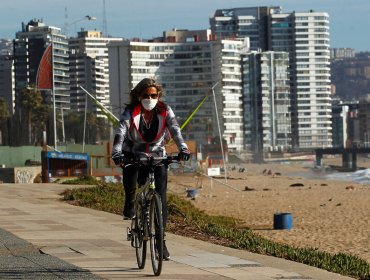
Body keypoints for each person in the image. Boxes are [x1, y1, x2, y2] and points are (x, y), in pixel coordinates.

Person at [111, 78, 191, 260]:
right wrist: (117, 152)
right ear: (138, 96)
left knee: (161, 198)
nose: (150, 98)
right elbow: (120, 132)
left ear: (158, 96)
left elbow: (176, 130)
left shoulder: (165, 110)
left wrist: (183, 148)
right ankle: (130, 202)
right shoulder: (130, 112)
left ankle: (160, 242)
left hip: (158, 156)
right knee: (131, 177)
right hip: (133, 154)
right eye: (146, 95)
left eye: (153, 95)